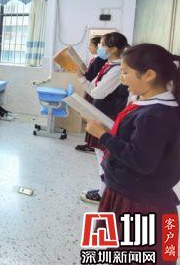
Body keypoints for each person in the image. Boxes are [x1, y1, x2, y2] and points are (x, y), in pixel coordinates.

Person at [84, 44, 180, 263]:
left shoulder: (154, 115)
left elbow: (141, 161)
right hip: (138, 194)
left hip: (137, 203)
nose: (122, 79)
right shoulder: (154, 106)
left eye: (126, 73)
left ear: (149, 75)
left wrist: (104, 136)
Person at [78, 32, 130, 205]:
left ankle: (103, 193)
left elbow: (97, 92)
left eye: (102, 44)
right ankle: (102, 190)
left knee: (104, 156)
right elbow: (94, 87)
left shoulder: (116, 69)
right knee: (100, 154)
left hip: (107, 117)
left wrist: (81, 79)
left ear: (113, 49)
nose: (99, 47)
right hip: (101, 114)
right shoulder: (110, 65)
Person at [75, 36, 108, 153]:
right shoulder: (97, 59)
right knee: (90, 118)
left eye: (91, 45)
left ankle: (92, 145)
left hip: (93, 91)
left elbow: (91, 76)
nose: (89, 47)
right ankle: (90, 144)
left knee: (92, 118)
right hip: (91, 89)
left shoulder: (100, 60)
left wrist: (81, 74)